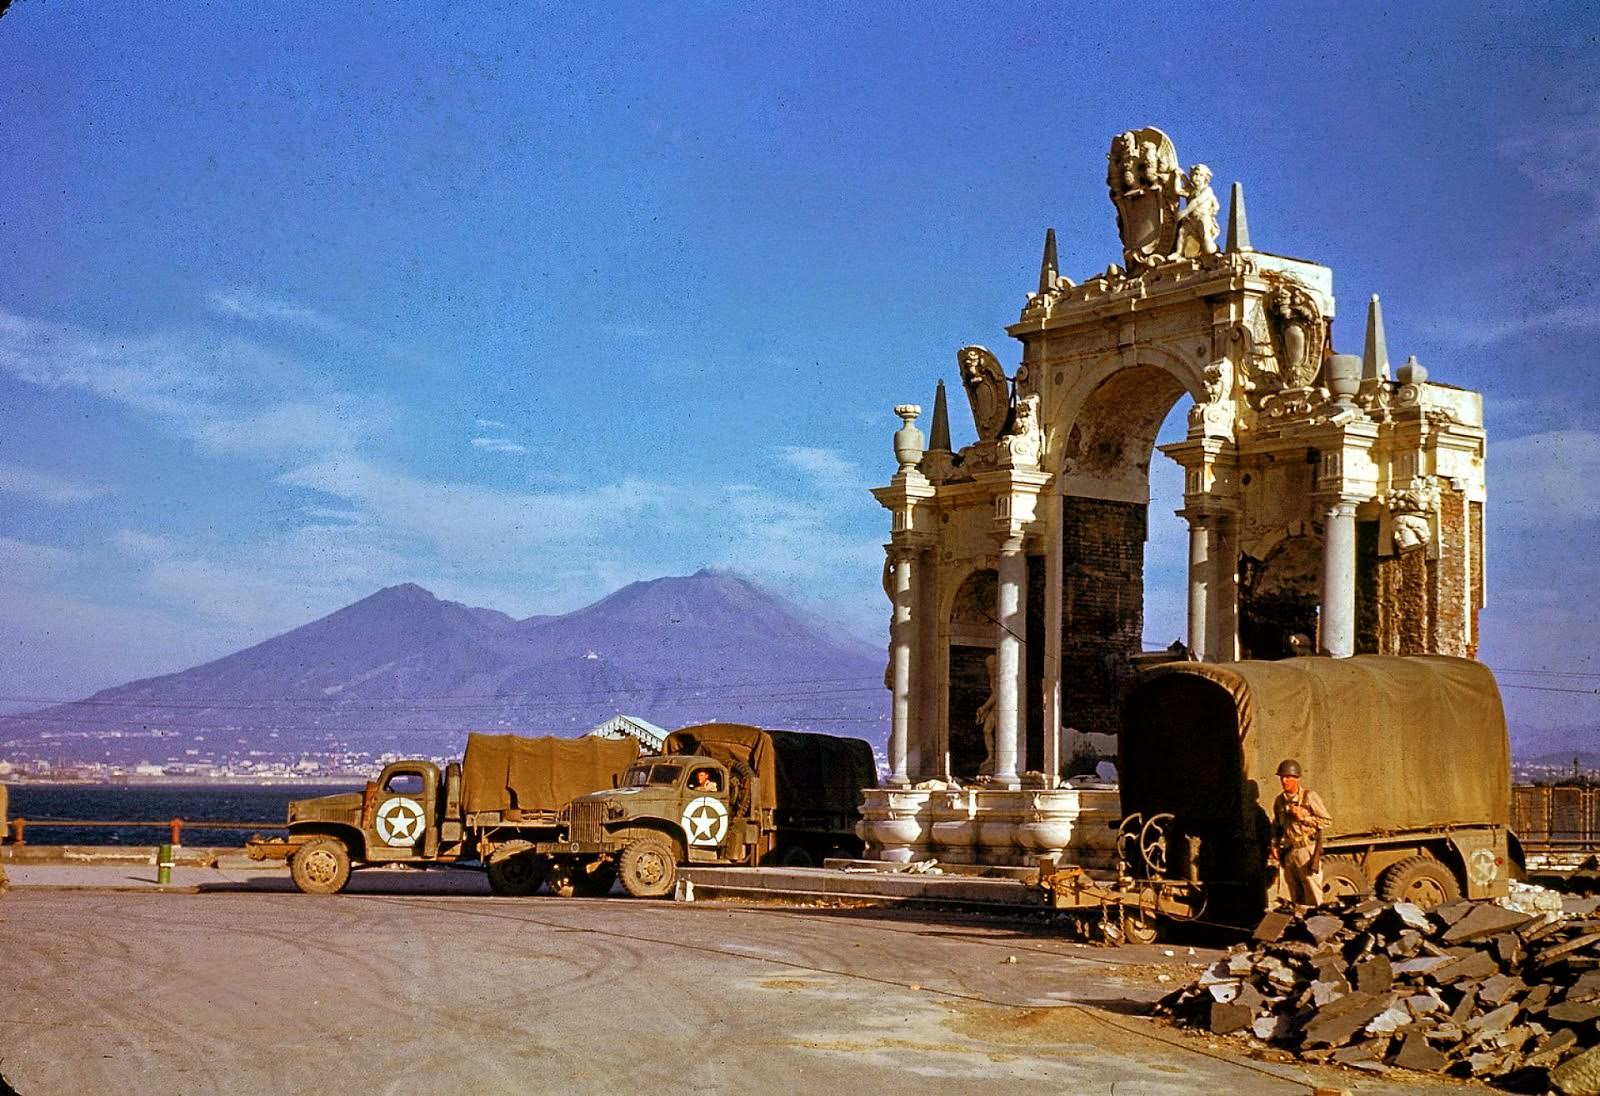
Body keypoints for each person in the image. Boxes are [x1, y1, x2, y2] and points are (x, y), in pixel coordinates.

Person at [1270, 758, 1332, 906]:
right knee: (1296, 898)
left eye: (1288, 777)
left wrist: (1304, 817)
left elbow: (1326, 821)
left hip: (1306, 850)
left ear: (1297, 779)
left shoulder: (1309, 797)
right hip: (1290, 851)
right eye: (1282, 777)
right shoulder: (1279, 801)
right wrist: (1274, 844)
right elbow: (1276, 826)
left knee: (1313, 893)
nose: (1284, 781)